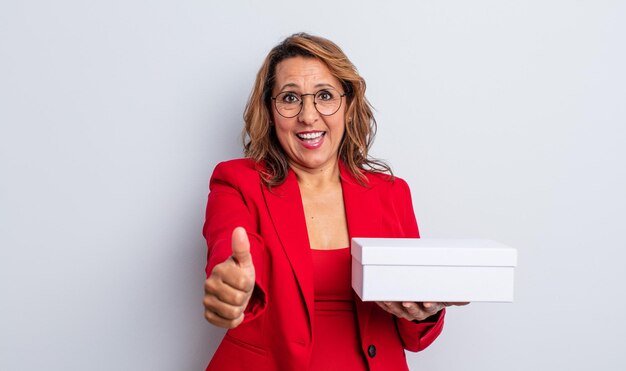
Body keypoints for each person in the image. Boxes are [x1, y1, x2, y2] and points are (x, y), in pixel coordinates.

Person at [202, 33, 466, 371]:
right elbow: (229, 247)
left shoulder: (391, 193)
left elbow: (414, 336)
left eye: (324, 96)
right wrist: (230, 282)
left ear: (349, 105)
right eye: (290, 98)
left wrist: (426, 311)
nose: (308, 116)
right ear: (270, 110)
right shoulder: (237, 182)